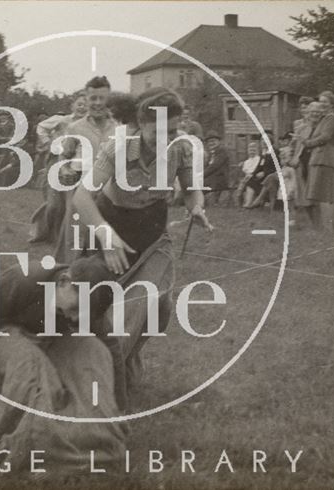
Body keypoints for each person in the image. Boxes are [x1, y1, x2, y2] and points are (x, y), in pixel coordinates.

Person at [72, 87, 213, 410]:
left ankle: (120, 363)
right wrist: (106, 238)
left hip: (153, 235)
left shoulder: (182, 150)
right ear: (140, 125)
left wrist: (197, 207)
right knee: (103, 303)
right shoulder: (117, 148)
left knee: (153, 305)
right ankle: (96, 378)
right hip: (111, 228)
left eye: (174, 130)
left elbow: (192, 190)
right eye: (158, 131)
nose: (167, 138)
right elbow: (82, 197)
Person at [0, 256, 127, 471]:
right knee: (29, 365)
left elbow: (110, 347)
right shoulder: (24, 280)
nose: (75, 318)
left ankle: (96, 438)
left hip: (43, 343)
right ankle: (18, 447)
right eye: (75, 308)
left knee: (94, 349)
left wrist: (118, 407)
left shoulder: (89, 301)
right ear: (64, 281)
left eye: (83, 314)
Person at [54, 76, 117, 262]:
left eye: (102, 98)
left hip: (110, 193)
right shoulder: (75, 128)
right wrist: (65, 170)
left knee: (105, 243)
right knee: (74, 241)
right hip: (81, 190)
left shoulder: (120, 128)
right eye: (93, 98)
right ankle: (66, 279)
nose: (97, 103)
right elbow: (64, 157)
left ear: (109, 100)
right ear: (87, 99)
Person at [29, 91, 89, 244]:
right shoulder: (62, 120)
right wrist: (49, 143)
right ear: (72, 106)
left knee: (70, 205)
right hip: (56, 161)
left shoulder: (89, 124)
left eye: (86, 105)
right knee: (54, 204)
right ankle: (43, 232)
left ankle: (59, 238)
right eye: (79, 104)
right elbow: (41, 127)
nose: (82, 108)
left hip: (76, 164)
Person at [299, 90, 334, 231]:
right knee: (314, 195)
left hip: (325, 159)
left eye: (325, 102)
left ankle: (328, 228)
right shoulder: (322, 119)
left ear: (332, 104)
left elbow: (325, 137)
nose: (322, 105)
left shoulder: (331, 118)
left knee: (325, 195)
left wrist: (308, 143)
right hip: (317, 159)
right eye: (320, 102)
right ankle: (319, 228)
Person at [203, 130, 230, 206]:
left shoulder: (222, 151)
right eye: (209, 142)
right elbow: (207, 167)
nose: (211, 143)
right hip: (211, 181)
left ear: (219, 141)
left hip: (220, 180)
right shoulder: (211, 153)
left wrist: (200, 175)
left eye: (213, 141)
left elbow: (214, 166)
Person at [234, 141, 262, 207]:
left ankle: (248, 203)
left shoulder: (258, 159)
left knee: (246, 183)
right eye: (250, 150)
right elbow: (244, 171)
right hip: (246, 177)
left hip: (255, 177)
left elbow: (256, 170)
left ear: (257, 151)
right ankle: (239, 203)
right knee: (241, 186)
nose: (252, 152)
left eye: (254, 150)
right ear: (248, 151)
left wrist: (250, 175)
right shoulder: (247, 161)